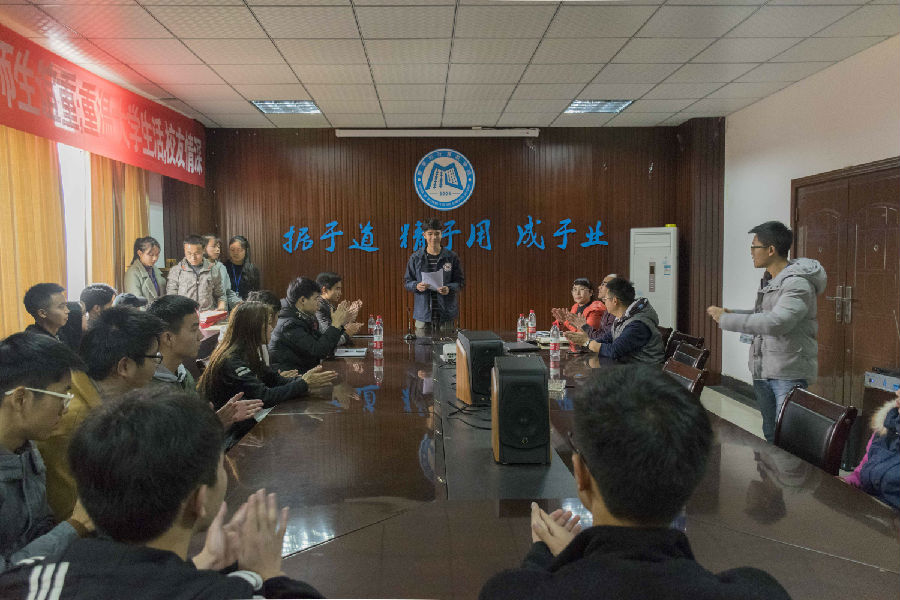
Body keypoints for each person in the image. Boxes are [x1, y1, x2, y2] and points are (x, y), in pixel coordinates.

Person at [478, 365, 791, 600]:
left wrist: (550, 556)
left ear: (581, 475)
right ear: (693, 480)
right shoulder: (760, 591)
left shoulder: (510, 592)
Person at [0, 389, 324, 599]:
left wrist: (200, 564)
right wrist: (268, 574)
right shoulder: (228, 593)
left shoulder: (21, 580)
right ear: (199, 500)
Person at [37, 307, 165, 521]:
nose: (157, 365)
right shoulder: (71, 419)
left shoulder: (106, 395)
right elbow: (71, 514)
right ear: (125, 366)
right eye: (155, 357)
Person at [707, 221, 826, 443]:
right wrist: (733, 313)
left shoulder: (797, 284)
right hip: (763, 368)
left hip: (786, 372)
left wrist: (727, 319)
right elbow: (762, 314)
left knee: (788, 438)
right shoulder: (771, 279)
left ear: (771, 250)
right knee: (771, 434)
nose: (751, 252)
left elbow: (777, 322)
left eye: (754, 247)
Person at [0, 334, 94, 572]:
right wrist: (75, 526)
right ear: (21, 398)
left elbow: (40, 526)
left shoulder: (25, 447)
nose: (66, 409)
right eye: (62, 397)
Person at [197, 301, 336, 413]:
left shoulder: (250, 352)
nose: (272, 328)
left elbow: (274, 380)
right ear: (253, 327)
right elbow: (264, 397)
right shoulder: (232, 359)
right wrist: (304, 384)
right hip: (227, 430)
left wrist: (306, 380)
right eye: (268, 324)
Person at [147, 295, 262, 427]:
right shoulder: (150, 392)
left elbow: (195, 427)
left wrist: (218, 419)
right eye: (194, 329)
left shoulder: (183, 373)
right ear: (168, 338)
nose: (201, 336)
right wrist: (216, 423)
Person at [564, 278, 664, 364]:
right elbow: (606, 338)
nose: (604, 302)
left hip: (645, 373)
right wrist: (583, 340)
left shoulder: (637, 324)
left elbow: (614, 351)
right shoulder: (623, 317)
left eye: (605, 299)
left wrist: (587, 343)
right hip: (629, 368)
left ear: (615, 300)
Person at [269, 277, 359, 374]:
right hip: (292, 377)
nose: (319, 304)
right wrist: (336, 325)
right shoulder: (289, 324)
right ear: (303, 300)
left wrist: (339, 324)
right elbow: (319, 351)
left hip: (304, 371)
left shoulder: (301, 316)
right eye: (316, 299)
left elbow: (323, 342)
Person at [404, 218, 464, 334]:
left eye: (437, 233)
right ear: (424, 235)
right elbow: (407, 282)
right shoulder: (416, 258)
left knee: (447, 343)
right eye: (430, 234)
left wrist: (449, 288)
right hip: (423, 314)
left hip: (446, 314)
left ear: (441, 234)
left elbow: (460, 282)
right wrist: (416, 286)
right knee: (421, 344)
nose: (434, 237)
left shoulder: (451, 257)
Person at [843, 391, 899, 510]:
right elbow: (860, 475)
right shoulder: (887, 426)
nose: (898, 392)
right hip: (867, 511)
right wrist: (844, 484)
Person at [166, 235, 226, 312]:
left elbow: (220, 295)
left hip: (207, 314)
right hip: (184, 315)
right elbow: (171, 298)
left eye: (197, 253)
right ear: (184, 251)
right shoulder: (176, 271)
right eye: (189, 253)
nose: (193, 257)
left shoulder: (212, 269)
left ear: (203, 250)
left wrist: (221, 308)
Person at [315, 272, 363, 346]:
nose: (340, 293)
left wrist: (349, 320)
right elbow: (329, 337)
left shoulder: (329, 304)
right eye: (337, 289)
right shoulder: (318, 306)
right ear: (324, 290)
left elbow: (337, 329)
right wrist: (346, 328)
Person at [123, 236, 166, 303]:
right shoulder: (132, 273)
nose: (155, 258)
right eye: (151, 255)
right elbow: (136, 303)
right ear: (140, 253)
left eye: (157, 254)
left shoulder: (155, 270)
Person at [203, 234, 241, 309]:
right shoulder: (198, 268)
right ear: (203, 248)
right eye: (214, 246)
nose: (217, 249)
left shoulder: (222, 267)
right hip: (205, 313)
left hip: (222, 312)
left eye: (218, 247)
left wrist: (239, 302)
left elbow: (228, 293)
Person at [222, 235, 261, 300]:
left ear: (245, 250)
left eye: (239, 250)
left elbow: (256, 293)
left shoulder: (253, 270)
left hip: (247, 304)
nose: (235, 253)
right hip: (227, 304)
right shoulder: (223, 268)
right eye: (232, 250)